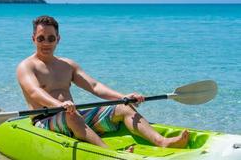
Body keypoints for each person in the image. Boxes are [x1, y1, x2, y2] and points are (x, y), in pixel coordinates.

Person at [16, 15, 189, 151]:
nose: (46, 43)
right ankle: (108, 153)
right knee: (72, 115)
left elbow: (95, 87)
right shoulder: (26, 66)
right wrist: (59, 104)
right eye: (41, 38)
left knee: (124, 108)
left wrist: (124, 97)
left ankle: (162, 141)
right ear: (33, 39)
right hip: (45, 121)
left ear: (58, 39)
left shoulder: (67, 65)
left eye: (50, 38)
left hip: (71, 115)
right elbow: (35, 92)